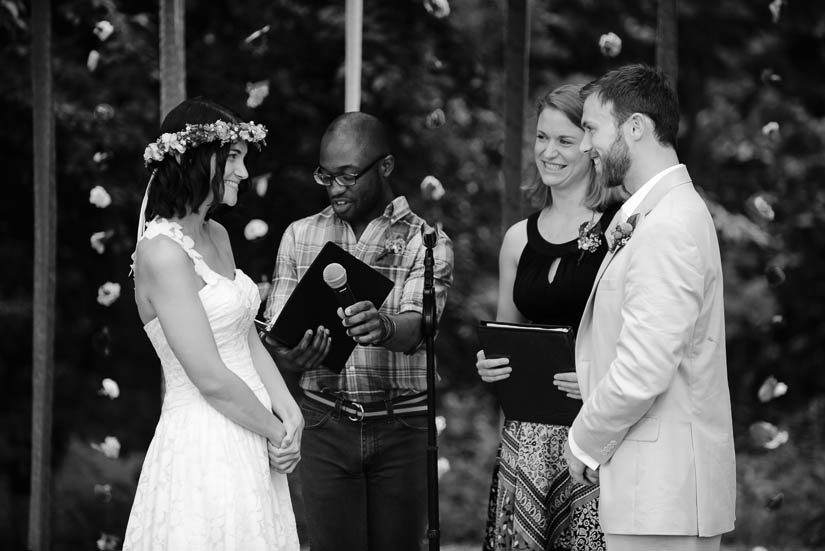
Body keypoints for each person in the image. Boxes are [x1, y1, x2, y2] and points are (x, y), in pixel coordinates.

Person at [564, 64, 736, 551]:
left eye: (592, 128)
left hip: (663, 495)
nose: (584, 146)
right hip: (659, 496)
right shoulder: (660, 214)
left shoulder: (667, 226)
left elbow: (644, 368)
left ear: (635, 127)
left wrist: (584, 440)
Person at [263, 112, 454, 551]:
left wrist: (383, 325)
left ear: (384, 167)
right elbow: (277, 336)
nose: (335, 188)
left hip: (403, 426)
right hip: (325, 421)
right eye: (326, 176)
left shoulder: (426, 241)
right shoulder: (299, 235)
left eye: (348, 175)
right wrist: (291, 357)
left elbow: (419, 328)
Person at [124, 97, 301, 551]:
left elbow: (246, 337)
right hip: (207, 442)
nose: (243, 172)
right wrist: (274, 431)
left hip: (254, 433)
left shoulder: (218, 235)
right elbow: (209, 377)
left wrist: (291, 413)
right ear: (195, 158)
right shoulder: (162, 252)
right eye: (234, 159)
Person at [476, 84, 623, 551]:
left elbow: (643, 336)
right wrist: (491, 365)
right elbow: (508, 333)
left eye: (564, 141)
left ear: (591, 146)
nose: (548, 152)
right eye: (542, 138)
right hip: (528, 439)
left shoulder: (621, 228)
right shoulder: (518, 239)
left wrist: (599, 376)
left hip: (596, 429)